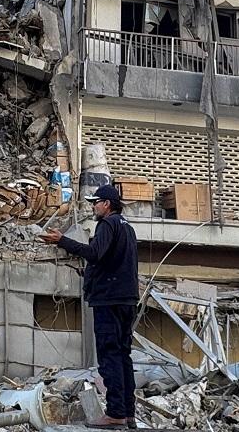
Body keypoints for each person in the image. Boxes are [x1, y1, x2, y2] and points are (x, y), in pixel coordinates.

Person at [40, 184, 139, 429]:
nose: (93, 206)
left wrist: (63, 241)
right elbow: (110, 262)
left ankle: (115, 413)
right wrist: (90, 274)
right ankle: (128, 413)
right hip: (127, 300)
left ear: (107, 204)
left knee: (109, 356)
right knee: (123, 356)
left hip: (110, 301)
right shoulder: (128, 228)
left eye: (96, 202)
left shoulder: (107, 224)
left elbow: (95, 253)